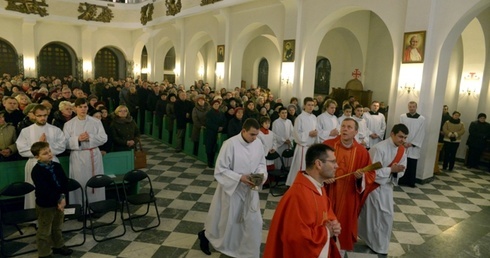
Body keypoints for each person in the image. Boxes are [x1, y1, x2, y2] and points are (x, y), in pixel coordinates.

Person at [198, 118, 268, 257]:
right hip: (232, 190)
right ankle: (205, 236)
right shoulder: (230, 144)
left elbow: (261, 162)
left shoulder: (258, 143)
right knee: (227, 222)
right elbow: (220, 169)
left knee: (253, 221)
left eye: (257, 134)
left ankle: (244, 249)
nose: (255, 138)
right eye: (252, 134)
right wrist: (240, 178)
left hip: (250, 190)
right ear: (243, 131)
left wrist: (260, 176)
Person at [264, 144, 341, 258]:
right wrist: (326, 232)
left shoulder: (318, 187)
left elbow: (327, 213)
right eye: (333, 162)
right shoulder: (298, 195)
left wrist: (334, 225)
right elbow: (297, 239)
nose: (337, 166)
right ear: (318, 164)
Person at [323, 118, 375, 253]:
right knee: (323, 223)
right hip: (327, 194)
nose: (345, 129)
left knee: (343, 226)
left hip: (348, 196)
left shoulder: (362, 152)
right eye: (343, 126)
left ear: (356, 132)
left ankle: (339, 252)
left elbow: (370, 174)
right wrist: (324, 177)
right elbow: (315, 166)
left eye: (349, 127)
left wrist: (360, 177)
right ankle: (322, 249)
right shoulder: (327, 145)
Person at [358, 124, 408, 255]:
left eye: (405, 137)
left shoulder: (402, 150)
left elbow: (403, 168)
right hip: (374, 188)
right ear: (392, 134)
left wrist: (396, 171)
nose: (402, 140)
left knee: (386, 217)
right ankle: (374, 243)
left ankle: (380, 245)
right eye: (400, 136)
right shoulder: (378, 148)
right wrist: (391, 170)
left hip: (387, 187)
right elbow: (371, 172)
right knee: (374, 216)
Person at [16, 105, 66, 209]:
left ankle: (55, 212)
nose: (42, 118)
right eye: (39, 116)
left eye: (45, 115)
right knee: (34, 190)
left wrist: (47, 147)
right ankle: (33, 217)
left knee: (53, 188)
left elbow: (62, 146)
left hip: (52, 162)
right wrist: (39, 146)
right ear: (33, 116)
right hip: (34, 163)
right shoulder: (26, 131)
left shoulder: (55, 130)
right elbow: (21, 149)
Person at [30, 141, 73, 258]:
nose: (49, 154)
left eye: (49, 151)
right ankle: (44, 253)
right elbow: (45, 189)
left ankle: (58, 246)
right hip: (46, 204)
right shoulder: (37, 171)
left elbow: (64, 182)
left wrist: (62, 198)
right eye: (45, 153)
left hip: (60, 201)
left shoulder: (57, 166)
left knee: (57, 226)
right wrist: (58, 200)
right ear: (37, 157)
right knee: (45, 230)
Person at [63, 98, 108, 205]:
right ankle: (81, 206)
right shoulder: (69, 124)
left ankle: (97, 205)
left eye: (85, 107)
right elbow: (64, 143)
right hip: (78, 156)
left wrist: (90, 138)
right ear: (75, 108)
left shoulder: (96, 121)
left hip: (94, 154)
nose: (83, 109)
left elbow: (104, 138)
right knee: (80, 181)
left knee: (96, 180)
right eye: (80, 107)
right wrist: (77, 139)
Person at [286, 97, 318, 186]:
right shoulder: (300, 118)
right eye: (309, 105)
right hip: (303, 147)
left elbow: (316, 130)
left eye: (312, 105)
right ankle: (297, 186)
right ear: (304, 106)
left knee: (310, 169)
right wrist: (308, 134)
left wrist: (316, 133)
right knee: (301, 169)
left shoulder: (314, 117)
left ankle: (306, 186)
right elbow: (296, 134)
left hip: (311, 147)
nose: (311, 107)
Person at [399, 101, 425, 187]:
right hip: (404, 144)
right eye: (410, 106)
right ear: (408, 107)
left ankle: (411, 182)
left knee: (412, 163)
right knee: (402, 162)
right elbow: (400, 129)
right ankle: (401, 180)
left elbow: (421, 133)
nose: (411, 108)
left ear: (416, 107)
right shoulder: (403, 117)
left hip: (414, 146)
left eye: (413, 106)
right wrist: (403, 142)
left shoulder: (421, 119)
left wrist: (412, 143)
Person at [205, 99, 226, 168]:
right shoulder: (209, 113)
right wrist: (217, 127)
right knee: (210, 147)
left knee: (214, 148)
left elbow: (224, 120)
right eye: (215, 104)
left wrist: (222, 127)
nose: (216, 106)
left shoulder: (221, 113)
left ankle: (214, 161)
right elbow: (208, 123)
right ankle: (209, 161)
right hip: (211, 132)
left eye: (217, 104)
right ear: (212, 105)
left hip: (219, 132)